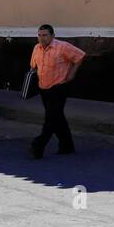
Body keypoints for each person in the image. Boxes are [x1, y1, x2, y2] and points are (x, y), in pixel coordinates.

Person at [28, 24, 86, 158]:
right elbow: (33, 66)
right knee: (57, 117)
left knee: (51, 118)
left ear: (52, 36)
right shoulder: (36, 48)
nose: (42, 38)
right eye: (40, 35)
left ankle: (38, 145)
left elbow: (80, 56)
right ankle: (67, 146)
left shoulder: (62, 46)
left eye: (45, 35)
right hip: (43, 87)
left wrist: (72, 74)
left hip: (59, 87)